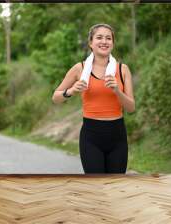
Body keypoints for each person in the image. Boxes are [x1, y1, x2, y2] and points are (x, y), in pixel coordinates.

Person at [52, 24, 135, 174]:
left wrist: (117, 91)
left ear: (113, 43)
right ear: (91, 43)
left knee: (115, 187)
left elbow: (131, 108)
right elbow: (55, 97)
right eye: (99, 37)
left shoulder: (123, 70)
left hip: (117, 136)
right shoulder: (80, 69)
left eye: (108, 38)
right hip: (91, 137)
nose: (104, 41)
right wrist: (71, 91)